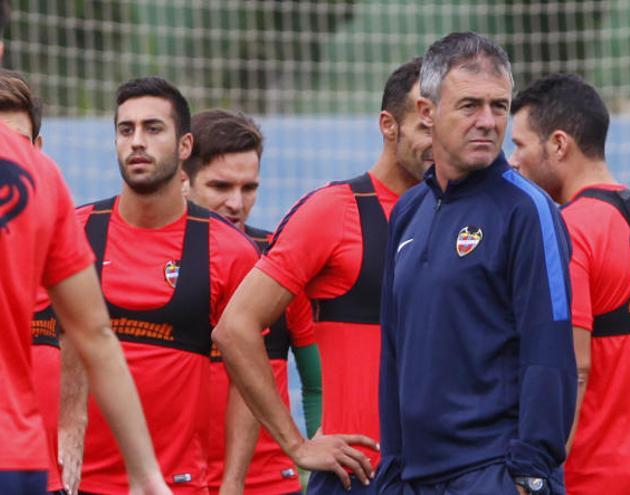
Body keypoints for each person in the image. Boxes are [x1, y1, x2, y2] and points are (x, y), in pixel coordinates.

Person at [212, 57, 430, 494]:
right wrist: (297, 444)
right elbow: (235, 328)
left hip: (448, 475)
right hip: (360, 477)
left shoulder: (463, 218)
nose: (438, 138)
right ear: (389, 125)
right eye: (424, 125)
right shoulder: (335, 210)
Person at [377, 33, 576, 495]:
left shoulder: (529, 210)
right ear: (428, 113)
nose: (487, 121)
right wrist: (392, 468)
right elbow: (393, 350)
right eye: (470, 106)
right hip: (414, 478)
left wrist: (530, 475)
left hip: (492, 472)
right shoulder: (409, 211)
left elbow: (550, 353)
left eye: (499, 106)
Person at [0, 3, 170, 494]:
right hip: (15, 456)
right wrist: (147, 474)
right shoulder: (39, 176)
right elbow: (96, 333)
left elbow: (89, 336)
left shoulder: (39, 177)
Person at [66, 77, 262, 495]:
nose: (137, 141)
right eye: (126, 130)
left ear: (185, 145)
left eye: (153, 129)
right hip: (73, 481)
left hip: (179, 485)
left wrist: (232, 485)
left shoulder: (232, 251)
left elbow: (247, 383)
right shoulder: (74, 233)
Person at [509, 73, 630, 495]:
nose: (514, 160)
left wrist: (540, 478)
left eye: (520, 144)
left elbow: (573, 367)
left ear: (558, 144)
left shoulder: (565, 230)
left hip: (590, 478)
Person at [183, 108, 322, 495]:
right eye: (221, 186)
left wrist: (323, 463)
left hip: (268, 485)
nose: (237, 202)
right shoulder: (155, 260)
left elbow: (316, 383)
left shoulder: (280, 263)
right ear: (184, 180)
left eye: (249, 188)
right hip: (173, 480)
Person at [0, 68, 90, 495]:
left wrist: (72, 420)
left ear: (38, 151)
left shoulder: (61, 243)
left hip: (35, 469)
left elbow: (91, 335)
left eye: (14, 143)